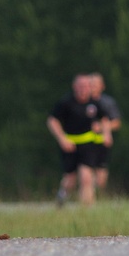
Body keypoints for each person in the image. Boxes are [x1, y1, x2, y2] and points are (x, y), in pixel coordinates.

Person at [47, 75, 106, 206]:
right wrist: (61, 138)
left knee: (86, 177)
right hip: (70, 144)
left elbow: (103, 119)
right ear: (74, 87)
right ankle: (61, 199)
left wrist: (103, 131)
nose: (83, 89)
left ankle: (87, 210)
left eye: (86, 86)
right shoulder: (66, 103)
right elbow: (52, 121)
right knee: (70, 179)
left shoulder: (94, 103)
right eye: (80, 86)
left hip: (88, 144)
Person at [88, 73, 121, 195]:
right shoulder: (83, 101)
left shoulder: (107, 102)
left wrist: (102, 128)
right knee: (87, 171)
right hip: (85, 142)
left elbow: (116, 122)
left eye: (95, 84)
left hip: (101, 141)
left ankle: (98, 195)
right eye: (90, 84)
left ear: (102, 86)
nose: (92, 87)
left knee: (101, 171)